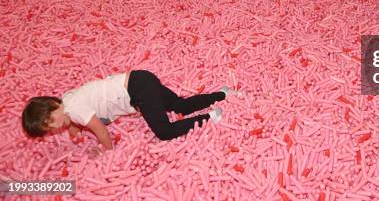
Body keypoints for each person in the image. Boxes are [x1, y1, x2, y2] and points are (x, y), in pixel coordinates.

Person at [22, 70, 240, 150]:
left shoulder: (75, 110)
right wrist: (74, 132)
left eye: (51, 121)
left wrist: (107, 150)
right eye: (50, 130)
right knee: (179, 105)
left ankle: (211, 117)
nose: (55, 127)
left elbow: (101, 130)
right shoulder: (66, 101)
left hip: (138, 92)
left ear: (52, 106)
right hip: (140, 78)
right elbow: (74, 119)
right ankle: (222, 93)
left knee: (164, 132)